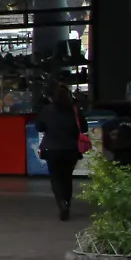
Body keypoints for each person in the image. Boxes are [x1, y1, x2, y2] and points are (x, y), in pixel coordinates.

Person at [36, 83, 87, 220]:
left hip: (51, 149)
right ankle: (67, 203)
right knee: (67, 177)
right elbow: (84, 128)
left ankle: (61, 203)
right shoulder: (75, 110)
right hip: (71, 149)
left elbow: (39, 127)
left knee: (56, 178)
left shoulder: (46, 110)